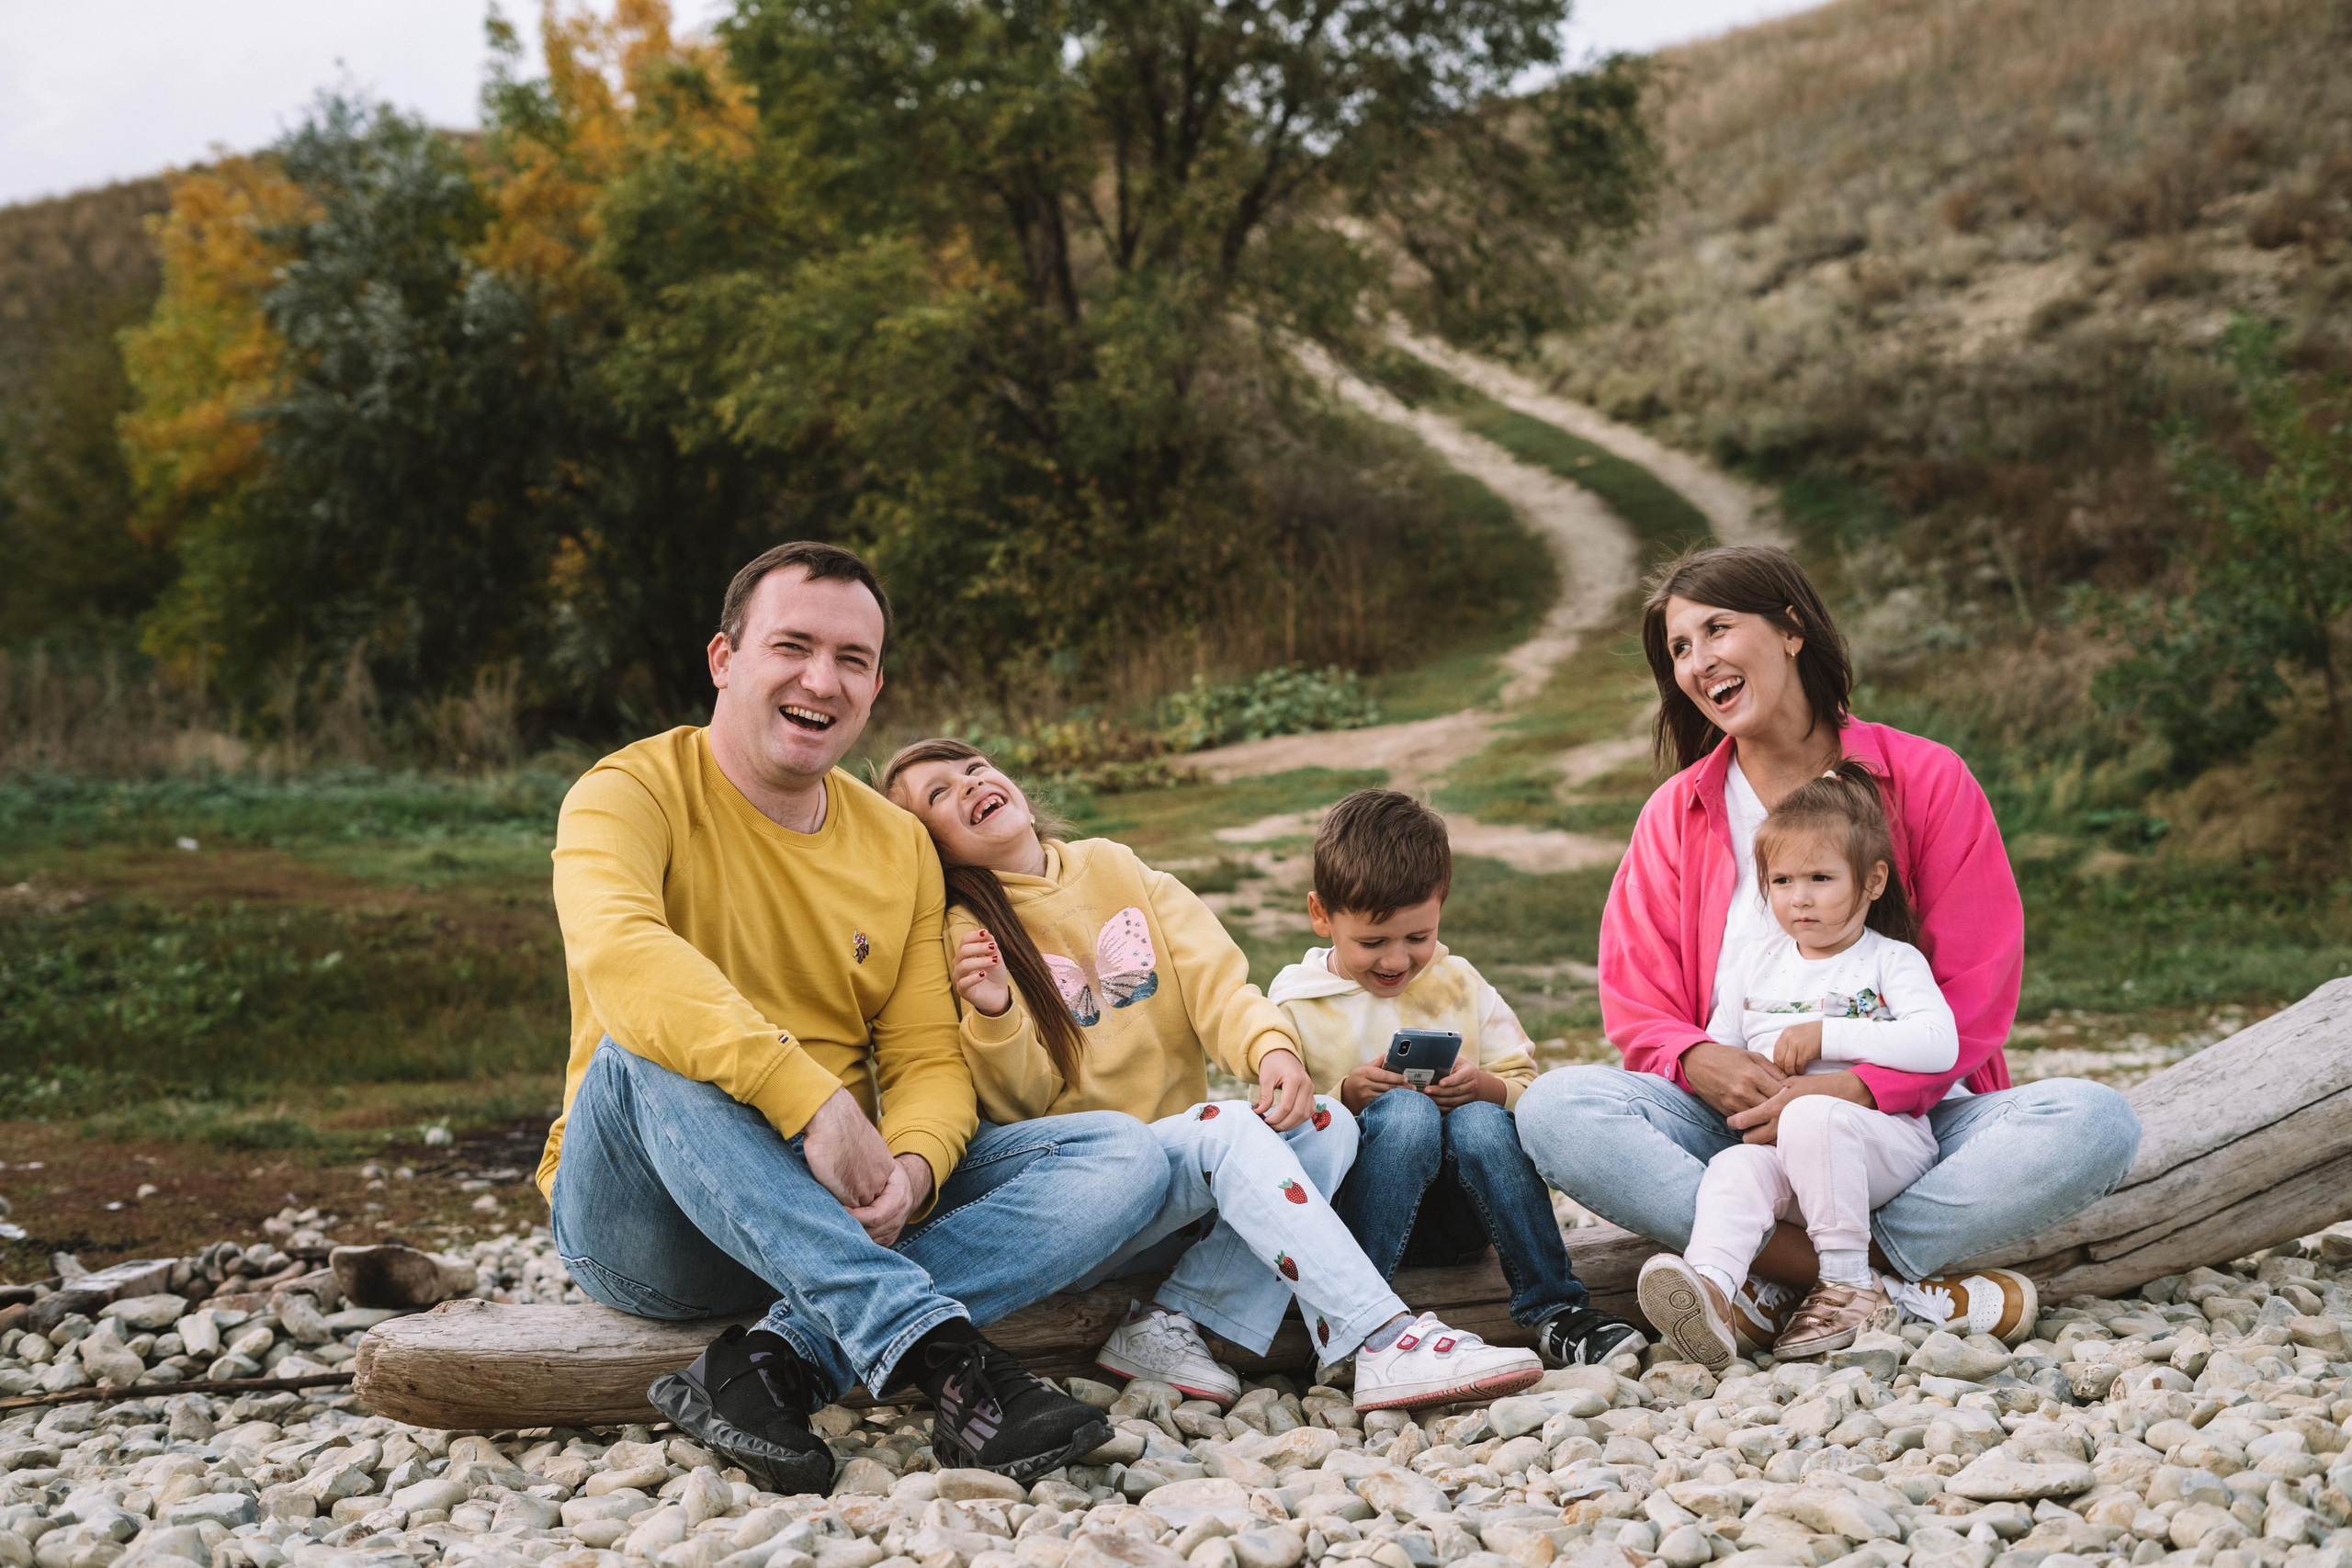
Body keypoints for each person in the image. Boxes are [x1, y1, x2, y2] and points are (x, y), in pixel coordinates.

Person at [542, 542, 1169, 1492]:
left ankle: (771, 1362)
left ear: (876, 685)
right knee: (644, 1047)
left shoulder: (896, 846)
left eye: (851, 660)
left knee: (1125, 1156)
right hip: (653, 1223)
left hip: (833, 1203)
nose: (819, 680)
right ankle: (948, 1362)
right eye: (792, 646)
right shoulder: (626, 795)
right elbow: (624, 959)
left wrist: (912, 1169)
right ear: (724, 660)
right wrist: (808, 1101)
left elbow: (923, 1055)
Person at [1516, 543, 2142, 1352]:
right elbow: (1639, 1005)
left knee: (2096, 1120)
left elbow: (1974, 997)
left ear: (1791, 630)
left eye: (1717, 630)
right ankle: (1868, 1284)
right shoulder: (1676, 814)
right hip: (1739, 1134)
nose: (1699, 662)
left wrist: (1855, 1087)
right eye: (1679, 648)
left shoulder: (1926, 778)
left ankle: (1772, 1281)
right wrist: (1702, 1058)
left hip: (1905, 1131)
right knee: (1557, 1109)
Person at [884, 739, 1544, 1413]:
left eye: (973, 769)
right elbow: (1019, 1105)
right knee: (1226, 1128)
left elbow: (1218, 985)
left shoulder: (1114, 865)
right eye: (937, 793)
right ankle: (1376, 1336)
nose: (967, 786)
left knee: (1328, 1122)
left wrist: (1272, 1053)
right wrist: (993, 1010)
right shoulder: (960, 933)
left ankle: (1172, 1325)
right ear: (921, 845)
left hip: (1180, 1186)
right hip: (1091, 1199)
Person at [1268, 789, 1646, 1370]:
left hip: (1459, 1217)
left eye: (1418, 938)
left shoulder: (1459, 983)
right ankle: (1354, 1321)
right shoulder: (1295, 1002)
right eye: (1373, 942)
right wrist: (1345, 1098)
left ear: (1440, 909)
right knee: (1405, 1114)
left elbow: (1528, 1089)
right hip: (1351, 1215)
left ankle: (1557, 1311)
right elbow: (1268, 1127)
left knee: (1479, 1121)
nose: (1396, 960)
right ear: (1322, 915)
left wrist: (1484, 1088)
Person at [1639, 762, 1956, 1367]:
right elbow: (1719, 1045)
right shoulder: (1756, 967)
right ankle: (1710, 1291)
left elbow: (1939, 1043)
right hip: (1788, 1152)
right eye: (1782, 880)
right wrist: (1734, 1074)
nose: (1799, 896)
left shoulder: (1890, 961)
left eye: (1820, 877)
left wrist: (1825, 1034)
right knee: (1734, 1170)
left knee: (1813, 1114)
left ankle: (1847, 1283)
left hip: (1881, 1147)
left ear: (1872, 881)